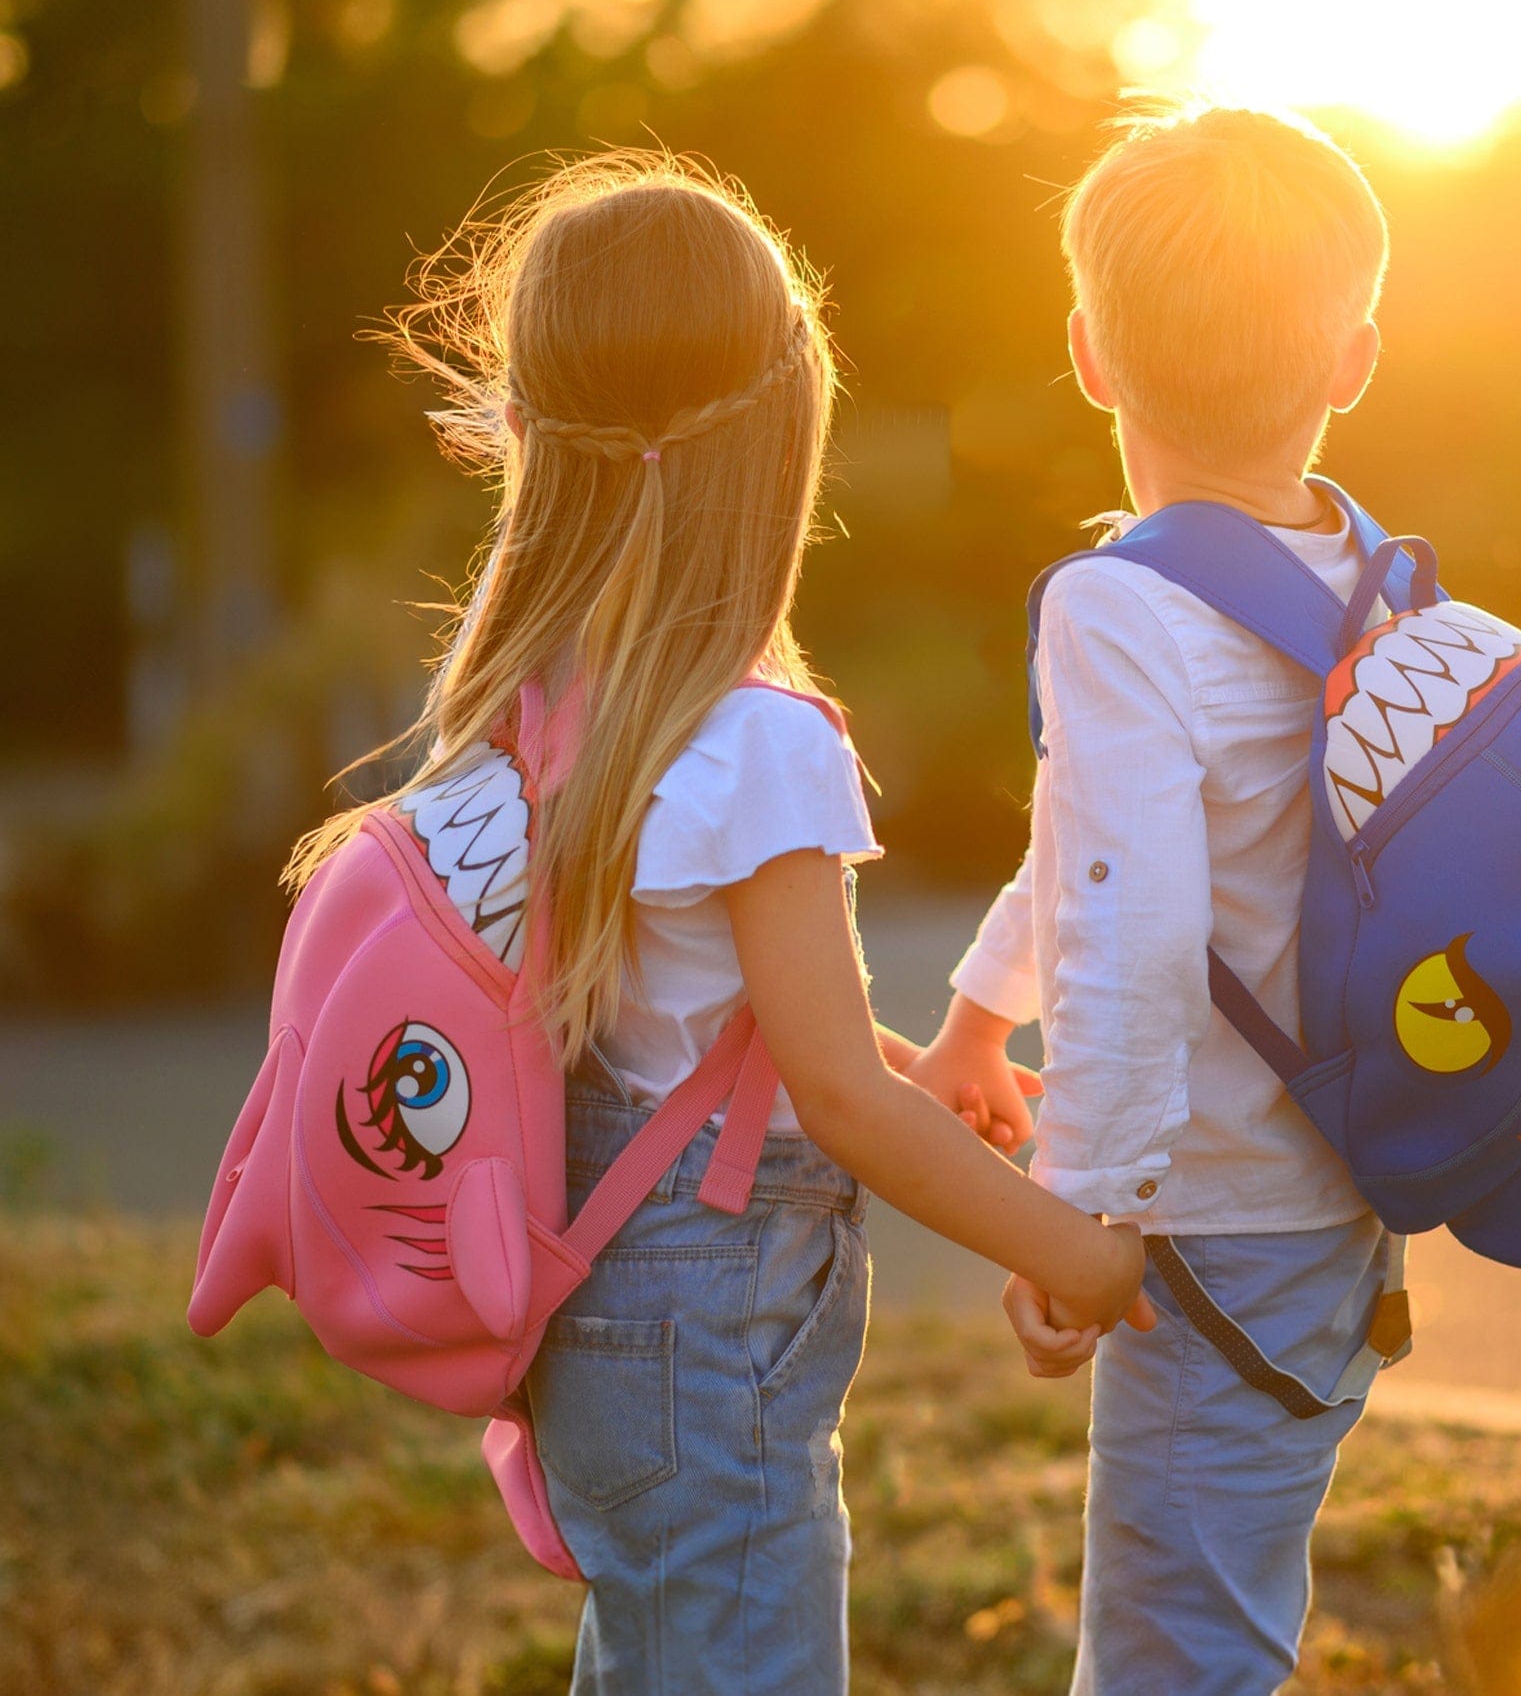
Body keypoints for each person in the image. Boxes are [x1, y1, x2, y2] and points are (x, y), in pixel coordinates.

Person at [294, 151, 1149, 1694]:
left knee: (654, 1659)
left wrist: (917, 1063)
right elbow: (830, 1095)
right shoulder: (758, 741)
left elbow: (704, 1020)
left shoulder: (539, 704)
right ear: (776, 447)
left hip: (598, 1321)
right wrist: (1074, 1254)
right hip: (708, 1343)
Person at [911, 105, 1401, 1693]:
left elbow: (1129, 923)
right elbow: (1103, 849)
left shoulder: (1123, 606)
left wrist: (1080, 1216)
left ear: (1088, 354)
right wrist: (985, 1012)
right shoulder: (1366, 575)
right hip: (1339, 1189)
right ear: (1352, 361)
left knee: (1176, 1660)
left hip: (1203, 1222)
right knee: (1228, 1620)